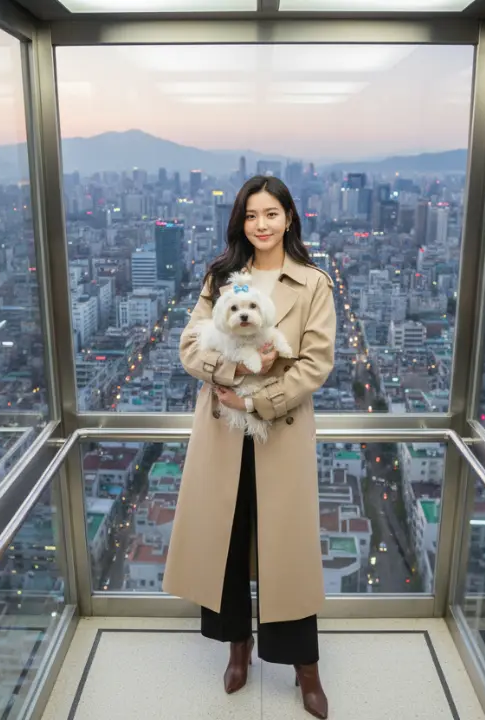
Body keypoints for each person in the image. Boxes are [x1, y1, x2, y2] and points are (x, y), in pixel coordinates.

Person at [162, 175, 337, 719]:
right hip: (222, 433)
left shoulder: (312, 283)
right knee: (229, 540)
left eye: (271, 214)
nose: (261, 225)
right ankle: (240, 645)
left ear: (289, 218)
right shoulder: (221, 277)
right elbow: (190, 344)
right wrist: (233, 370)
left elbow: (316, 363)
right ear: (241, 222)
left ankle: (303, 665)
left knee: (287, 551)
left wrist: (257, 401)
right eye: (250, 216)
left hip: (277, 430)